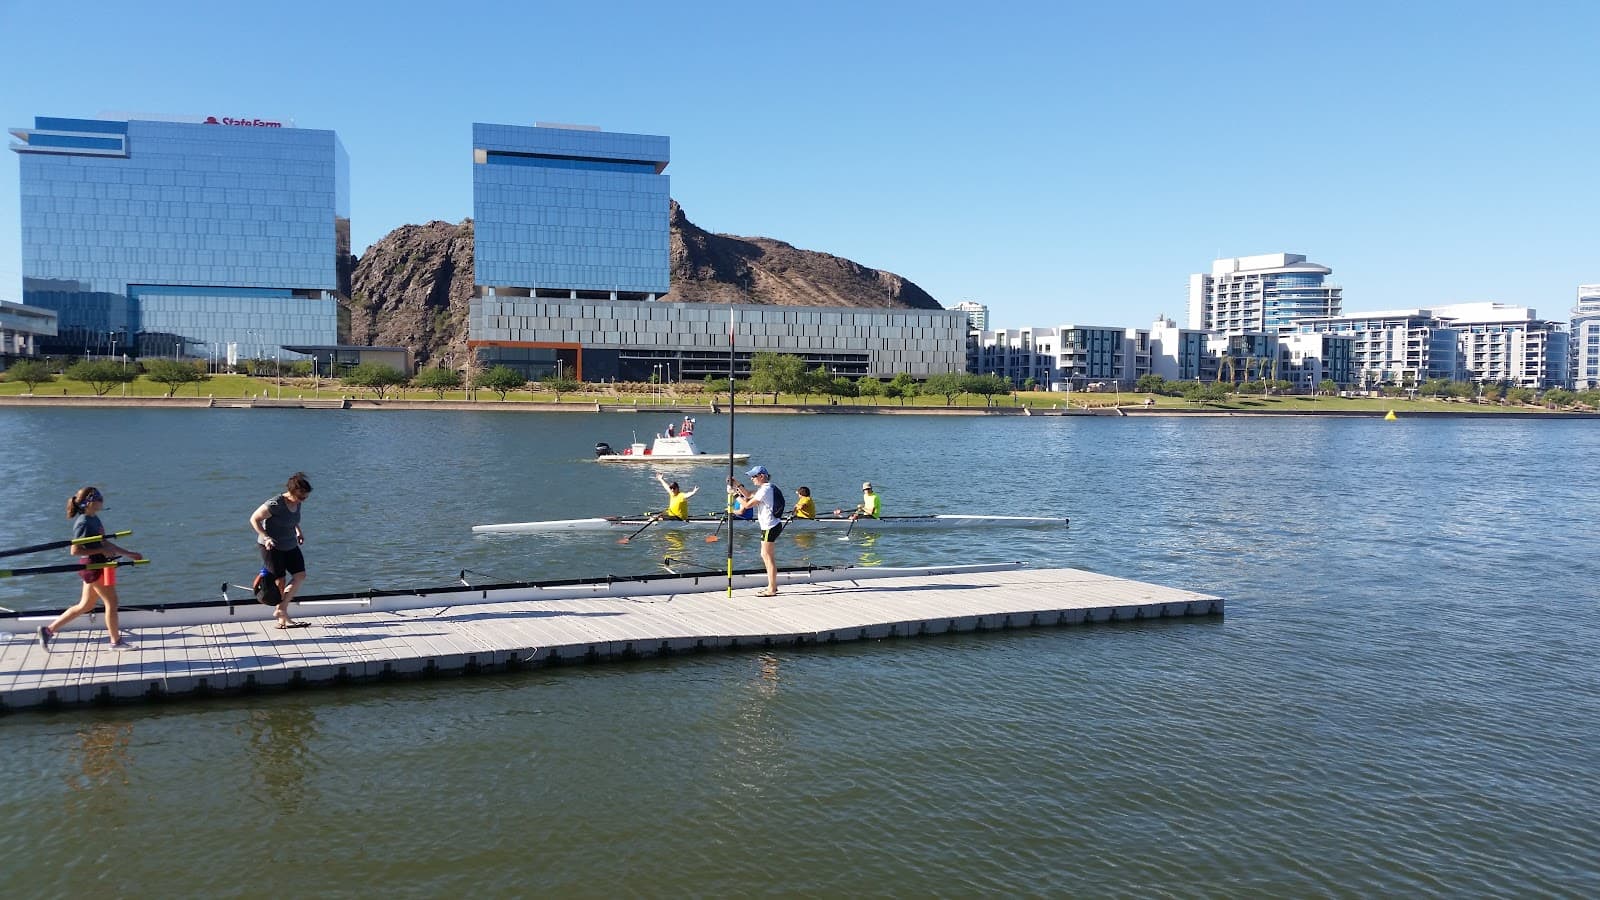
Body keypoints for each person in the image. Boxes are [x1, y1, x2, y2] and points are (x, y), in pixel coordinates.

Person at [38, 486, 143, 650]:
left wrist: (129, 553)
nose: (102, 500)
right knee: (112, 602)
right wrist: (101, 551)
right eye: (98, 498)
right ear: (88, 502)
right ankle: (115, 642)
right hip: (94, 567)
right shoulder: (83, 523)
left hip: (101, 565)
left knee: (86, 605)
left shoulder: (94, 519)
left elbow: (104, 543)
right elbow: (75, 550)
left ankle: (48, 630)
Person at [250, 472, 313, 629]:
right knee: (280, 580)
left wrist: (298, 531)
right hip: (271, 546)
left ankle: (281, 609)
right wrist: (266, 537)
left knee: (300, 575)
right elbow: (254, 519)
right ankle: (282, 618)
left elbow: (292, 519)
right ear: (292, 491)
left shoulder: (297, 502)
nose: (303, 500)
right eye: (301, 497)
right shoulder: (275, 504)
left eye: (305, 497)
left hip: (290, 543)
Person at [728, 465, 785, 597]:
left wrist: (734, 494)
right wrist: (736, 483)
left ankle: (772, 589)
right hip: (770, 526)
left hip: (770, 526)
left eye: (754, 476)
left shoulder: (765, 490)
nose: (752, 479)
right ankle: (772, 586)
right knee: (765, 555)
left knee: (767, 556)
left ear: (762, 476)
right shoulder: (767, 488)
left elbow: (747, 505)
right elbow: (748, 494)